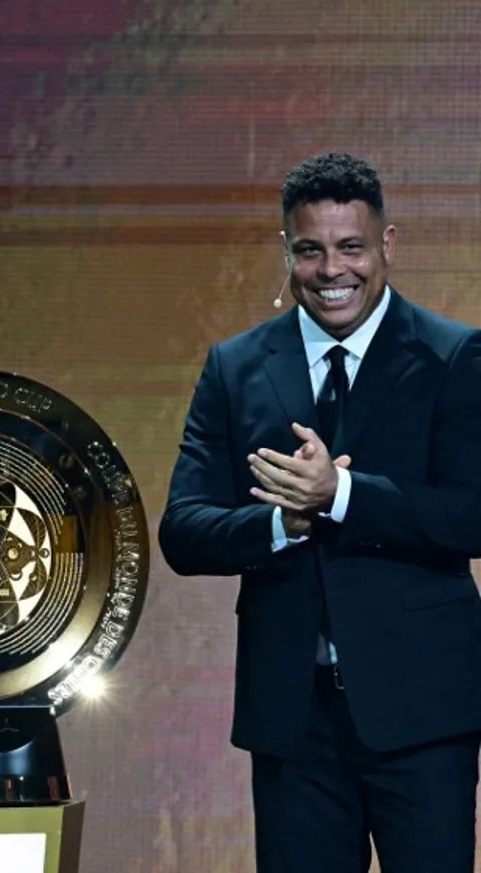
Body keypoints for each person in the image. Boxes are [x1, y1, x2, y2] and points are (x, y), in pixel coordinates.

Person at [159, 152, 481, 873]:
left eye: (351, 247)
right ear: (288, 251)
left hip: (423, 714)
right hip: (293, 718)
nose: (332, 269)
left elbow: (472, 513)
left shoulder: (454, 356)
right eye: (310, 250)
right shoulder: (236, 368)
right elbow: (183, 530)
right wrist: (283, 521)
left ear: (386, 246)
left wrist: (339, 496)